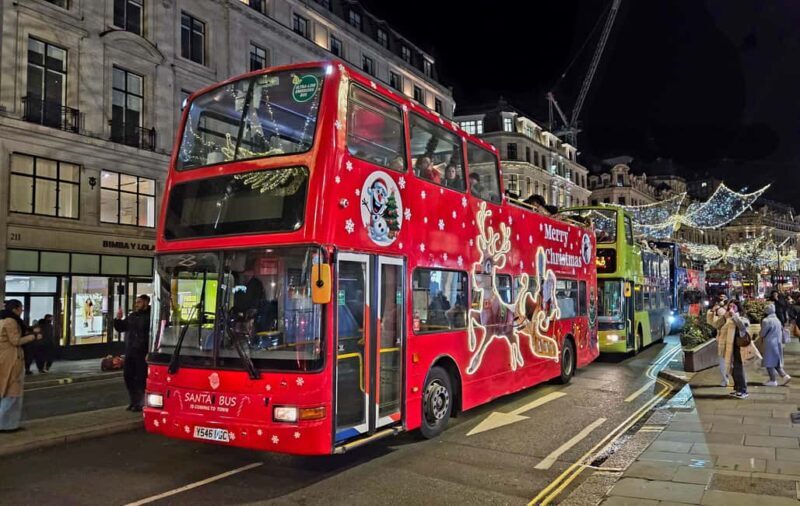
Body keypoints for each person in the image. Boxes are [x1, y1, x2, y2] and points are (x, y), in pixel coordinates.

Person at [0, 299, 42, 431]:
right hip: (11, 359)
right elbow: (15, 340)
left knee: (8, 392)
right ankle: (5, 424)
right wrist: (33, 337)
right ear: (15, 309)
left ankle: (10, 424)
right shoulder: (11, 321)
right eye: (20, 308)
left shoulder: (2, 319)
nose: (22, 310)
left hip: (4, 358)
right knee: (12, 393)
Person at [114, 295, 151, 412]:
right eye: (136, 302)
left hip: (142, 352)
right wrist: (118, 319)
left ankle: (140, 403)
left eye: (139, 302)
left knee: (140, 378)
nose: (136, 304)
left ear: (146, 302)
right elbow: (121, 328)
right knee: (128, 376)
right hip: (130, 351)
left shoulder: (150, 317)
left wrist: (149, 351)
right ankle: (133, 401)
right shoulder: (132, 316)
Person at [761, 303, 791, 386]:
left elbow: (762, 333)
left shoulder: (766, 320)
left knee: (769, 362)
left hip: (769, 343)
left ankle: (773, 380)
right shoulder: (777, 320)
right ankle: (785, 376)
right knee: (776, 362)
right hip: (778, 343)